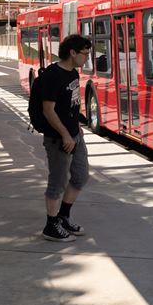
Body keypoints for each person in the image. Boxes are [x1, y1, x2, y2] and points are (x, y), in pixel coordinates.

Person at [35, 33, 93, 242]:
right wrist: (66, 134)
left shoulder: (73, 74)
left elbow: (71, 105)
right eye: (85, 54)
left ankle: (63, 217)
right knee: (58, 182)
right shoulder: (53, 76)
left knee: (80, 176)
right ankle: (50, 226)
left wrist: (76, 127)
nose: (87, 58)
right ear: (73, 53)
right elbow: (48, 110)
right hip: (58, 139)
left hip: (74, 135)